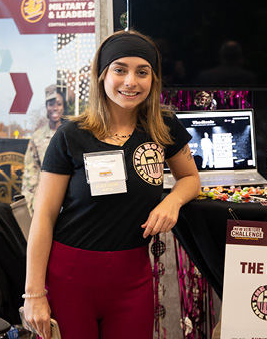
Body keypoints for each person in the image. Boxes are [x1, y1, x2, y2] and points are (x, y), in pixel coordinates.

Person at [22, 30, 201, 339]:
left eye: (142, 72)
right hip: (70, 274)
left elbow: (190, 178)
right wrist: (34, 295)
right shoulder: (70, 135)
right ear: (102, 75)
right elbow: (44, 216)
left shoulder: (164, 127)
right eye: (120, 69)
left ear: (153, 79)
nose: (131, 81)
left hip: (133, 276)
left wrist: (172, 201)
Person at [22, 84, 66, 215]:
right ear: (46, 107)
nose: (55, 108)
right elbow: (31, 172)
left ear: (63, 107)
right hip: (43, 201)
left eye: (59, 104)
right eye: (51, 104)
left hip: (67, 203)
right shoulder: (37, 137)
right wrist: (28, 204)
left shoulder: (72, 135)